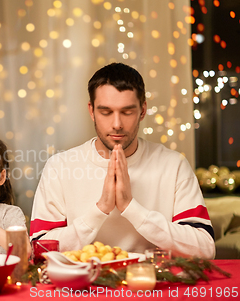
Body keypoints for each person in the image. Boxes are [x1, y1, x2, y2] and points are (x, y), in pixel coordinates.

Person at [30, 63, 215, 258]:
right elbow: (39, 249)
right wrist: (100, 209)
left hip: (153, 283)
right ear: (91, 111)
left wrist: (131, 208)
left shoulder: (173, 165)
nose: (117, 124)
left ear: (143, 110)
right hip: (84, 286)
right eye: (106, 112)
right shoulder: (60, 167)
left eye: (127, 112)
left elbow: (205, 248)